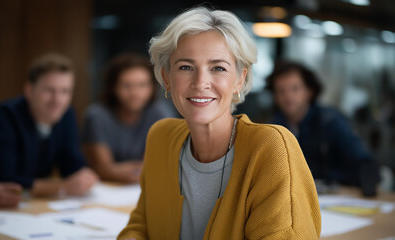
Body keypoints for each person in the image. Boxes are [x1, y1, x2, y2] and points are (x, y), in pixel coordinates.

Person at [118, 7, 320, 240]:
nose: (200, 82)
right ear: (166, 77)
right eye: (186, 67)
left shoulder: (271, 147)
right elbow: (141, 224)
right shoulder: (160, 137)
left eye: (218, 68)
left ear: (239, 79)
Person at [0, 53, 98, 200]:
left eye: (65, 91)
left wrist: (83, 174)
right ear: (29, 90)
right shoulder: (2, 117)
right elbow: (6, 179)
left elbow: (72, 163)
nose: (57, 100)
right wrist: (63, 186)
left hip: (32, 204)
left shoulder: (66, 115)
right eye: (49, 90)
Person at [266, 60, 380, 196]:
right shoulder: (274, 127)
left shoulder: (331, 122)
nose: (288, 96)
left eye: (295, 89)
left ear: (310, 92)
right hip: (296, 199)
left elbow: (366, 163)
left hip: (339, 197)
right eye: (281, 91)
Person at [82, 54, 175, 183]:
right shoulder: (97, 116)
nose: (134, 93)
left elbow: (158, 163)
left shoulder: (160, 112)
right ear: (113, 87)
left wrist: (120, 169)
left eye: (142, 85)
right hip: (105, 187)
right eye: (126, 85)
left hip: (146, 185)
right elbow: (102, 168)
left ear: (152, 87)